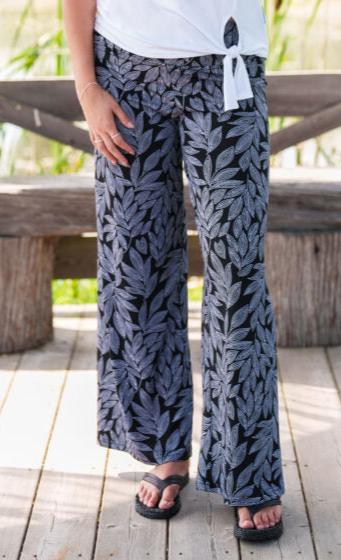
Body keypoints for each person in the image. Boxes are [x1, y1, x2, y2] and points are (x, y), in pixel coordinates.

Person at [62, 0, 285, 542]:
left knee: (236, 279)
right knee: (135, 268)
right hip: (124, 76)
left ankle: (247, 467)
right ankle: (163, 447)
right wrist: (87, 88)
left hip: (225, 72)